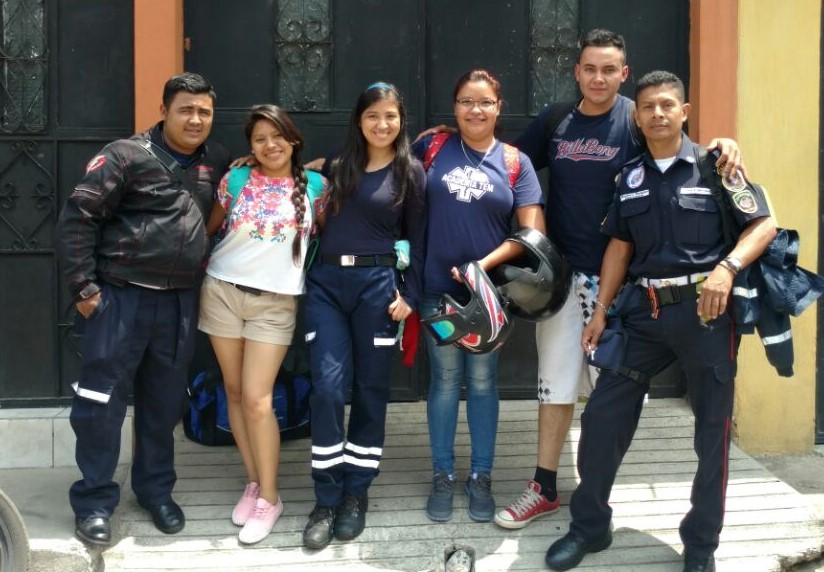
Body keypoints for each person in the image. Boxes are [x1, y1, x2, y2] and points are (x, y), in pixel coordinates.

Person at [492, 29, 743, 531]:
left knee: (609, 395)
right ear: (577, 71)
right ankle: (543, 486)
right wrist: (445, 146)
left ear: (623, 74)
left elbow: (683, 153)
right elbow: (507, 165)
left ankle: (597, 493)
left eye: (610, 70)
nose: (599, 78)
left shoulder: (638, 116)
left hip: (627, 286)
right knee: (555, 385)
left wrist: (725, 142)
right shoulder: (554, 120)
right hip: (560, 279)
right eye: (590, 68)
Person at [545, 70, 776, 572]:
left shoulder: (717, 166)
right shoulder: (628, 176)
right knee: (603, 417)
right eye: (647, 107)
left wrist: (727, 269)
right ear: (637, 115)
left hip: (706, 315)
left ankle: (700, 547)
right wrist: (601, 310)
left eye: (667, 105)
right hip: (643, 315)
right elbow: (620, 246)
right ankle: (590, 526)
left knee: (711, 434)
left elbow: (764, 224)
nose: (657, 114)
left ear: (684, 112)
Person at [56, 72, 231, 546]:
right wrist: (83, 289)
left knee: (163, 406)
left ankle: (155, 492)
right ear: (165, 110)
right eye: (186, 110)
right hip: (120, 299)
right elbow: (79, 217)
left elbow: (268, 169)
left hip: (177, 303)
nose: (196, 119)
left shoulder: (215, 160)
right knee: (100, 406)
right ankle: (94, 502)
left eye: (204, 111)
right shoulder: (124, 156)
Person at [413, 69, 545, 524]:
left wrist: (480, 267)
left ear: (498, 107)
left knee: (484, 383)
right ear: (455, 107)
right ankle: (443, 474)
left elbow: (532, 233)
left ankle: (481, 476)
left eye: (485, 101)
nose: (475, 109)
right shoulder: (431, 149)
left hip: (488, 299)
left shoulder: (514, 161)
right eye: (467, 101)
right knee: (445, 382)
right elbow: (377, 164)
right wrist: (315, 167)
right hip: (438, 292)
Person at [301, 82, 426, 549]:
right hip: (327, 287)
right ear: (359, 119)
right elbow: (293, 173)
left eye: (390, 115)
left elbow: (421, 237)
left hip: (378, 290)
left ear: (401, 120)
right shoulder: (339, 164)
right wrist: (253, 162)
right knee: (328, 388)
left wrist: (410, 294)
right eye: (373, 115)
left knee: (371, 390)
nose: (382, 124)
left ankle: (356, 493)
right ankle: (326, 497)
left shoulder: (411, 172)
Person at [198, 104, 321, 544]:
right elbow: (211, 229)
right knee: (232, 392)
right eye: (259, 139)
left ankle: (271, 497)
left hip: (275, 304)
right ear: (249, 147)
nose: (270, 145)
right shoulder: (235, 179)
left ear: (293, 139)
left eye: (277, 136)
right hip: (222, 292)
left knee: (257, 399)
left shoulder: (317, 187)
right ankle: (254, 483)